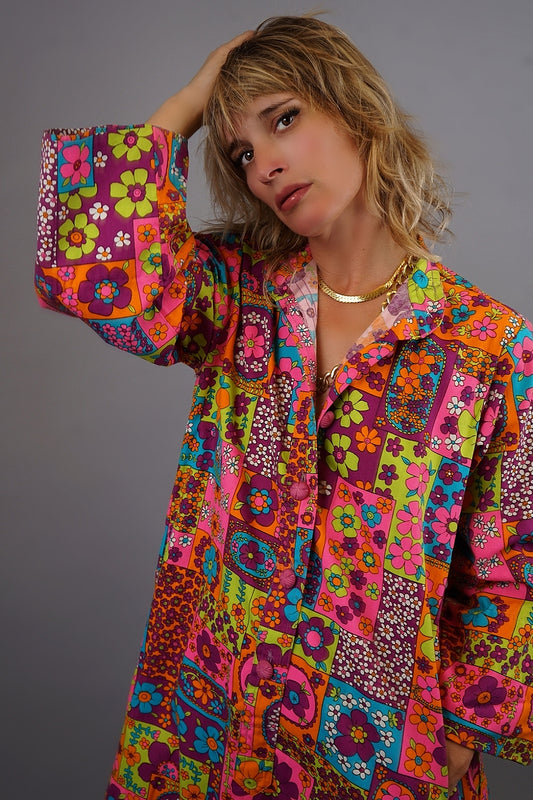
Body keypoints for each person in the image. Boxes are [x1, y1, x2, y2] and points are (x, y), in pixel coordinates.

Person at [34, 15, 533, 800]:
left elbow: (509, 560)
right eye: (240, 152)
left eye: (284, 118)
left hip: (375, 734)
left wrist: (467, 736)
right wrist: (188, 103)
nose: (264, 164)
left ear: (356, 110)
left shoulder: (487, 346)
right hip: (212, 705)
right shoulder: (236, 295)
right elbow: (91, 272)